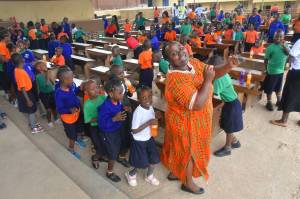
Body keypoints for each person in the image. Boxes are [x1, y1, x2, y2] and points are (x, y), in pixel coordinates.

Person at [160, 41, 239, 194]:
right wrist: (208, 80)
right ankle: (187, 183)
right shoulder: (175, 80)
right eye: (174, 54)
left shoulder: (192, 62)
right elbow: (197, 104)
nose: (180, 52)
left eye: (180, 48)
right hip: (184, 123)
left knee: (181, 150)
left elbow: (212, 70)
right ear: (169, 61)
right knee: (188, 151)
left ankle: (177, 172)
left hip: (196, 120)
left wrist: (228, 66)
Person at [208, 55, 243, 157]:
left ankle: (228, 148)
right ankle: (235, 141)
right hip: (232, 102)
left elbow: (213, 95)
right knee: (227, 124)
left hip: (231, 104)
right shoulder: (225, 74)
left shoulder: (218, 79)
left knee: (229, 127)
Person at [125, 86, 160, 187]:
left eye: (150, 96)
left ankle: (149, 175)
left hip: (149, 138)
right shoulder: (138, 112)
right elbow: (134, 130)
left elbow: (152, 120)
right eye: (144, 98)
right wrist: (149, 122)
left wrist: (156, 117)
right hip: (139, 140)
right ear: (138, 99)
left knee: (154, 159)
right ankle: (131, 174)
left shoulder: (150, 107)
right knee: (140, 162)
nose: (148, 99)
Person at [98, 79, 127, 182]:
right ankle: (109, 172)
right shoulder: (105, 107)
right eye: (120, 93)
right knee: (113, 153)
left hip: (117, 129)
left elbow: (118, 110)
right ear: (111, 94)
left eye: (123, 92)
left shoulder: (118, 100)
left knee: (120, 145)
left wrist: (124, 109)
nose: (122, 95)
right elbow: (101, 125)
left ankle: (118, 157)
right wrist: (114, 118)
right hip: (108, 132)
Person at [270, 37, 300, 127]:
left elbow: (291, 54)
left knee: (289, 94)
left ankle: (284, 120)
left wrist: (286, 65)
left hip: (296, 71)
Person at [12, 53, 44, 134]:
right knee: (31, 111)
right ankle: (33, 128)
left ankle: (31, 124)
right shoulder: (20, 72)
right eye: (22, 58)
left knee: (31, 110)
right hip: (26, 94)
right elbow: (23, 88)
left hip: (26, 92)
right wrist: (28, 100)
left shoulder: (17, 69)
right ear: (21, 60)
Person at [55, 67, 82, 159]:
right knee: (72, 135)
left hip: (75, 114)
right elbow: (60, 109)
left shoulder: (69, 87)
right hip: (68, 119)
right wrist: (69, 110)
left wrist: (79, 89)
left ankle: (77, 139)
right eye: (71, 78)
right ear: (64, 80)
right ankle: (71, 149)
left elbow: (73, 95)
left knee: (77, 129)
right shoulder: (59, 93)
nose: (72, 79)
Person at [83, 80, 107, 169]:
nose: (96, 90)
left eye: (97, 87)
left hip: (103, 126)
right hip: (95, 128)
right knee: (98, 145)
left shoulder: (102, 98)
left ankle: (102, 156)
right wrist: (99, 118)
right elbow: (88, 120)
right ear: (86, 92)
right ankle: (95, 157)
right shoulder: (87, 105)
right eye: (92, 89)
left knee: (104, 142)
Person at [264, 30, 289, 111]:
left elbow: (288, 53)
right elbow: (266, 60)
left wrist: (284, 45)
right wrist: (266, 69)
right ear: (274, 37)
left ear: (283, 37)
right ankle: (269, 102)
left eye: (280, 36)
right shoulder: (270, 47)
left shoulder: (285, 45)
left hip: (281, 71)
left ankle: (278, 101)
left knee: (278, 88)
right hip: (272, 71)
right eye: (277, 36)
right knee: (270, 88)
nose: (278, 38)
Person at [35, 61, 58, 128]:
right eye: (43, 65)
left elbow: (52, 82)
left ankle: (56, 119)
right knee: (48, 109)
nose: (45, 66)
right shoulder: (38, 76)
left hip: (51, 92)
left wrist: (50, 75)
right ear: (38, 68)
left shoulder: (48, 73)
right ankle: (49, 121)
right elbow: (46, 84)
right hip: (44, 94)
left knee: (54, 107)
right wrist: (47, 74)